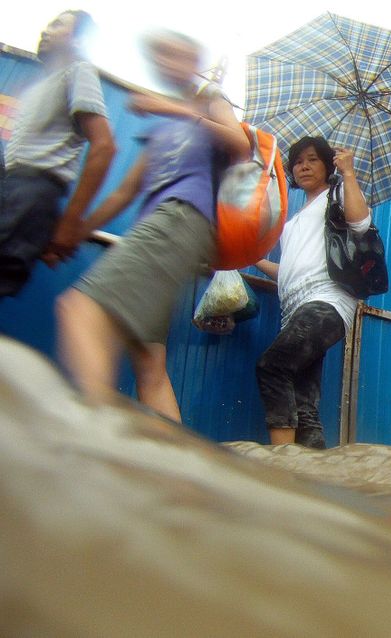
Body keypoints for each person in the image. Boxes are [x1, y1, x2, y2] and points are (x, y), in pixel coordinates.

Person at [55, 30, 249, 419]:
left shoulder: (209, 102)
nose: (166, 62)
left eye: (176, 54)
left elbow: (240, 145)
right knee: (150, 368)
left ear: (196, 62)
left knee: (79, 309)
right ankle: (176, 472)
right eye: (159, 55)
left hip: (181, 218)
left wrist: (176, 109)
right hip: (165, 227)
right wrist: (76, 230)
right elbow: (125, 191)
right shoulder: (159, 128)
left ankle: (97, 441)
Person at [253, 136, 371, 448]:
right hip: (295, 309)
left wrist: (348, 173)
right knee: (303, 402)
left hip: (326, 302)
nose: (303, 166)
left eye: (312, 159)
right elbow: (289, 274)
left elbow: (360, 223)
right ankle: (314, 473)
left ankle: (283, 460)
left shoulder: (337, 195)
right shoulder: (292, 223)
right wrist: (255, 260)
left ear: (327, 163)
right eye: (298, 161)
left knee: (272, 365)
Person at [0, 10, 115, 297]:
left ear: (77, 40)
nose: (46, 30)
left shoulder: (78, 70)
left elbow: (105, 146)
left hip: (33, 195)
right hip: (12, 187)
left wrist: (69, 224)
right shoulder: (39, 87)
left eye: (57, 24)